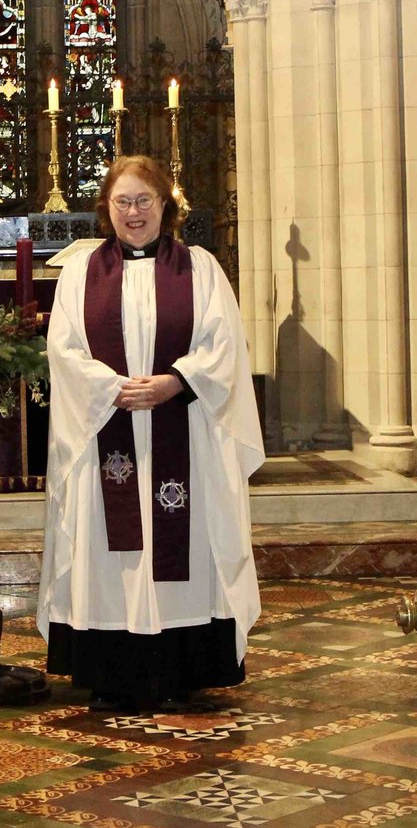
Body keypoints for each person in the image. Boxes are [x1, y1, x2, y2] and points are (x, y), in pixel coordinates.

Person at [37, 155, 264, 711]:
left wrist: (175, 382)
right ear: (106, 209)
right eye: (123, 202)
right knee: (109, 548)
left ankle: (184, 667)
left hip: (183, 430)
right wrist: (109, 386)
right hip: (104, 432)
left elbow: (224, 347)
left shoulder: (201, 268)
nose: (134, 212)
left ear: (166, 204)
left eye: (144, 200)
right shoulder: (79, 273)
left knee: (183, 547)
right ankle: (111, 671)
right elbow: (63, 350)